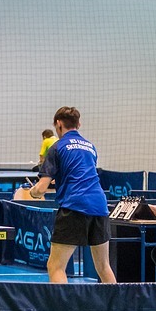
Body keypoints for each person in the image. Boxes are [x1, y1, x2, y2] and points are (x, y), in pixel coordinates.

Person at [28, 107, 116, 284]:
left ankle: (63, 303)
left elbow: (41, 188)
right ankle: (117, 301)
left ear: (58, 124)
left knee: (56, 266)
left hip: (74, 206)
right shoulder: (90, 147)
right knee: (103, 266)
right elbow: (80, 173)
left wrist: (33, 192)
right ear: (79, 124)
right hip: (99, 206)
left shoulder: (57, 147)